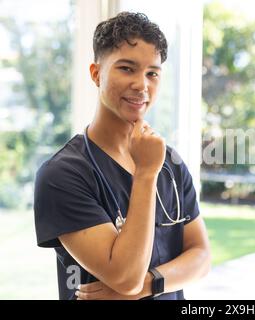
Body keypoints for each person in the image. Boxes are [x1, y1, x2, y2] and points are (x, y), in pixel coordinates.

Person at [34, 12, 211, 300]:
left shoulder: (171, 162)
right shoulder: (62, 174)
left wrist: (150, 283)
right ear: (96, 74)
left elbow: (201, 257)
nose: (142, 84)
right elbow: (126, 276)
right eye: (127, 68)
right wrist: (145, 173)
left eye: (152, 73)